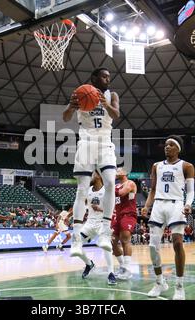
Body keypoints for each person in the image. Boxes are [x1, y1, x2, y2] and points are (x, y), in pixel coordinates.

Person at [63, 67, 120, 258]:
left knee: (111, 182)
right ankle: (77, 239)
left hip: (105, 141)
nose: (107, 80)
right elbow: (65, 117)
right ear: (94, 77)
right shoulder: (80, 93)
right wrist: (71, 106)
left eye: (108, 77)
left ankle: (105, 231)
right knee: (82, 189)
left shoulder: (112, 95)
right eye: (104, 76)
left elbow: (116, 115)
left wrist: (105, 103)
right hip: (86, 140)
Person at [141, 135, 195, 300]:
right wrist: (146, 206)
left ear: (178, 149)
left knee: (177, 243)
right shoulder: (156, 166)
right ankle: (160, 282)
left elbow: (191, 191)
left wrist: (188, 204)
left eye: (171, 145)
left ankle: (179, 286)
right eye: (166, 145)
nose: (167, 147)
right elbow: (152, 190)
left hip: (176, 204)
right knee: (152, 246)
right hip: (158, 204)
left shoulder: (187, 166)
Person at [75, 171, 117, 285]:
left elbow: (113, 211)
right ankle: (89, 264)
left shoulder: (107, 191)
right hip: (89, 223)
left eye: (93, 175)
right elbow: (80, 204)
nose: (90, 177)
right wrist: (68, 215)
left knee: (106, 246)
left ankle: (111, 273)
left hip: (102, 223)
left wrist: (100, 209)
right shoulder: (87, 191)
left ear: (99, 176)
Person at [111, 168, 138, 280]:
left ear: (125, 173)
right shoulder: (115, 186)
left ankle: (128, 269)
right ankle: (122, 266)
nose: (117, 171)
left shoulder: (130, 183)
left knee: (125, 239)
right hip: (117, 215)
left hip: (128, 214)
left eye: (119, 170)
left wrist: (108, 186)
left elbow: (121, 193)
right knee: (112, 241)